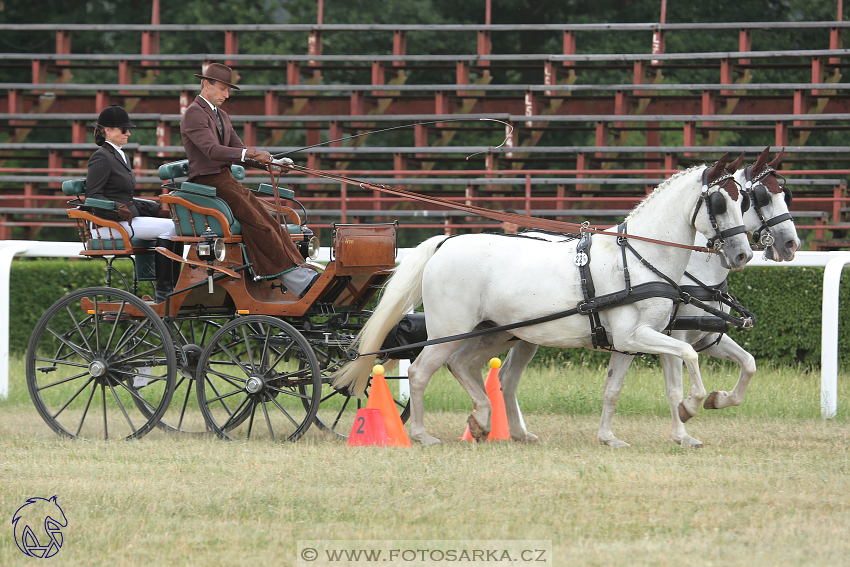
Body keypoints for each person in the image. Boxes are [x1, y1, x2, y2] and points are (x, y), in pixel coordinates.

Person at [179, 62, 318, 297]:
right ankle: (297, 281)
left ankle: (300, 271)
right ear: (206, 84)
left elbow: (238, 150)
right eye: (223, 89)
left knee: (270, 219)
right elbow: (212, 150)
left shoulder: (221, 115)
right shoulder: (193, 113)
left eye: (228, 90)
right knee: (258, 222)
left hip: (225, 181)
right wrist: (250, 154)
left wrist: (273, 162)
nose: (226, 95)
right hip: (207, 185)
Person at [86, 104, 181, 303]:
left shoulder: (120, 155)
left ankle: (172, 285)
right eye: (123, 129)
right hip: (107, 224)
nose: (128, 133)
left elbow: (126, 197)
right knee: (170, 229)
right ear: (108, 131)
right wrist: (115, 209)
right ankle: (165, 291)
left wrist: (156, 210)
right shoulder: (101, 157)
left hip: (123, 220)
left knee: (174, 225)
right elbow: (93, 197)